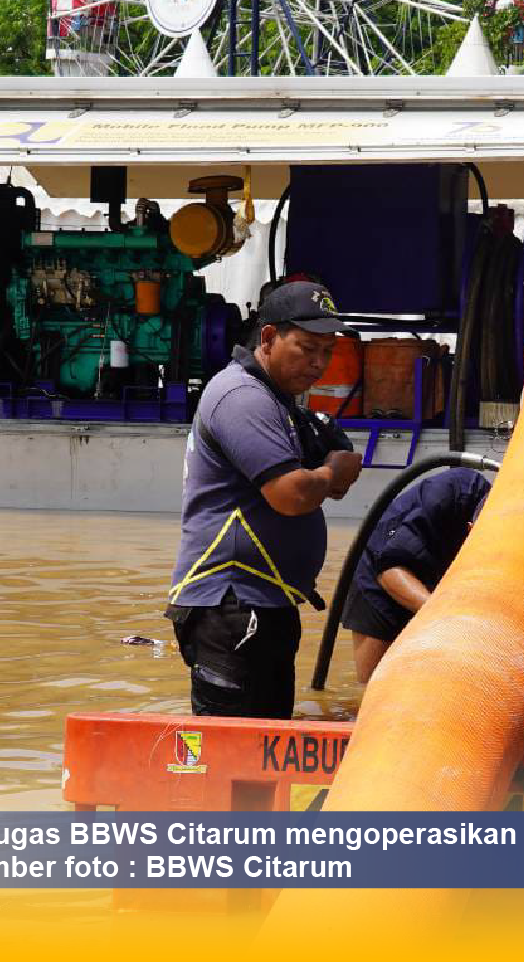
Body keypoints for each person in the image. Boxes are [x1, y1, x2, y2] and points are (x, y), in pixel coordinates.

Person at [165, 281, 364, 719]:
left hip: (262, 604)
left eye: (327, 352)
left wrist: (327, 472)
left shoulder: (278, 401)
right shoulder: (242, 398)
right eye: (307, 348)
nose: (318, 363)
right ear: (269, 338)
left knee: (263, 760)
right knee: (230, 760)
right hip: (231, 607)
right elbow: (291, 495)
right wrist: (332, 472)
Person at [341, 467, 493, 682]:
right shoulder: (446, 493)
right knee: (373, 686)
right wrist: (447, 617)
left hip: (435, 577)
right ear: (470, 527)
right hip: (384, 577)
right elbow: (389, 573)